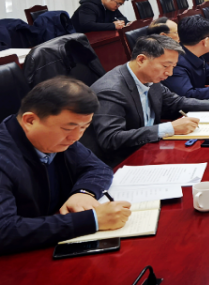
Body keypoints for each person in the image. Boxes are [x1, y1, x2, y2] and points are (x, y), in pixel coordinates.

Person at [0, 77, 132, 254]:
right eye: (68, 128)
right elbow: (5, 230)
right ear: (30, 120)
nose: (76, 137)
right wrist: (92, 220)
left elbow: (98, 168)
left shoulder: (59, 140)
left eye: (84, 127)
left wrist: (84, 192)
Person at [81, 35, 209, 167]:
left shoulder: (149, 77)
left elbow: (176, 102)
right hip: (123, 162)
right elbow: (111, 139)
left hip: (151, 150)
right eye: (165, 66)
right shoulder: (111, 90)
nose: (170, 73)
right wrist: (169, 128)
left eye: (173, 67)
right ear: (141, 60)